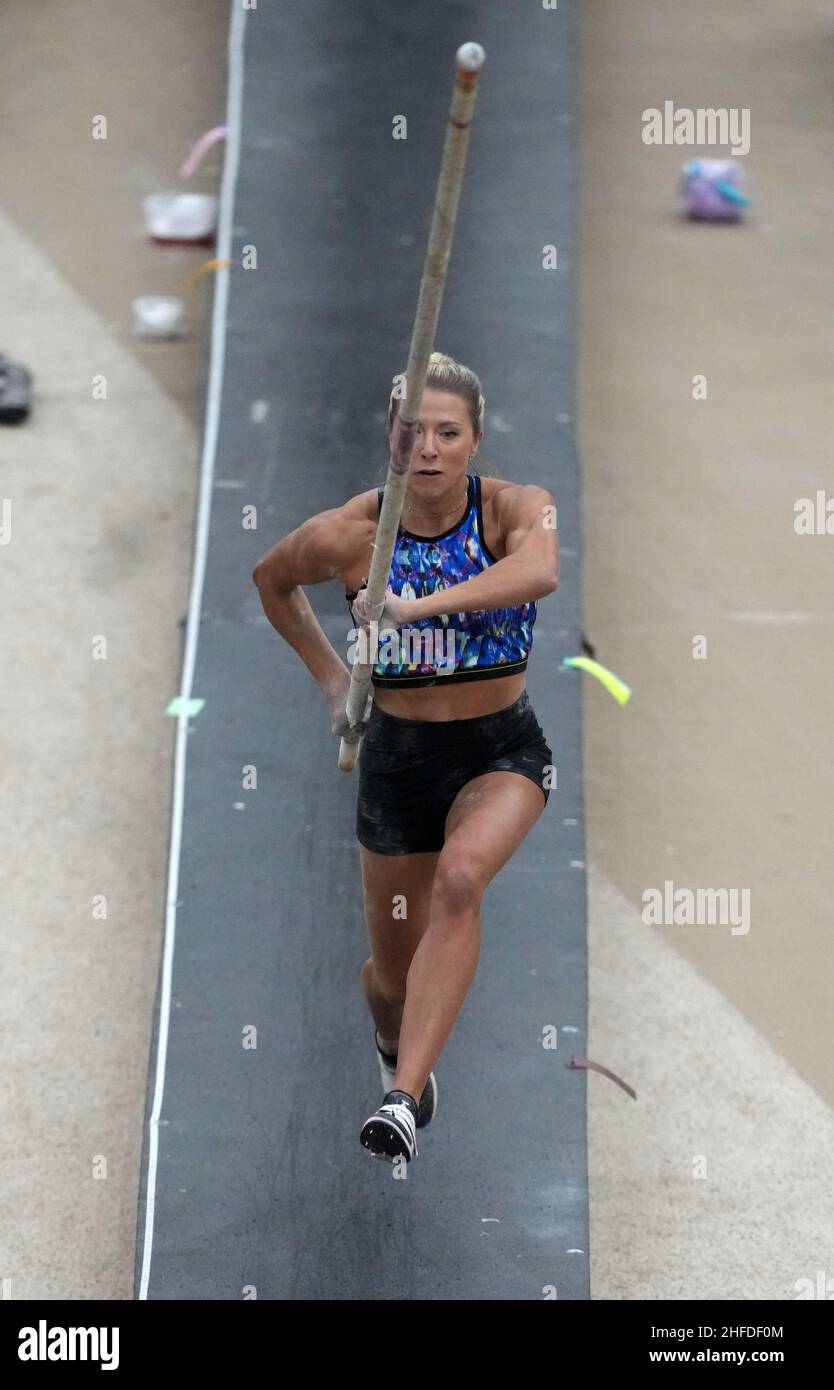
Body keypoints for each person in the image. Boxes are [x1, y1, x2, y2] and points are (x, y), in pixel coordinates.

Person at [252, 351, 558, 1164]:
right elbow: (270, 579)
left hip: (502, 752)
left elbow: (541, 571)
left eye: (447, 433)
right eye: (411, 431)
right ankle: (394, 1044)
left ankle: (400, 1102)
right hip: (400, 762)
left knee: (462, 880)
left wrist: (416, 606)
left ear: (476, 439)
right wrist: (331, 680)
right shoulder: (352, 534)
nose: (428, 448)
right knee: (391, 981)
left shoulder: (512, 511)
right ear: (390, 439)